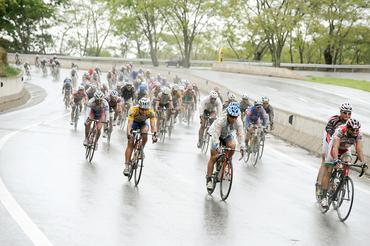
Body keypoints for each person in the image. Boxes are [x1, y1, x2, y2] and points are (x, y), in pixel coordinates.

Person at [320, 118, 367, 208]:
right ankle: (324, 198)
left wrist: (363, 163)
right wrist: (335, 160)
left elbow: (359, 149)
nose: (355, 132)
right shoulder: (340, 130)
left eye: (357, 130)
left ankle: (342, 178)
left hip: (345, 149)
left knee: (347, 162)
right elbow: (335, 147)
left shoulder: (358, 134)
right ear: (348, 128)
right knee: (329, 170)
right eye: (353, 130)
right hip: (334, 148)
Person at [316, 102, 352, 197]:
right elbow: (329, 136)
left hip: (340, 141)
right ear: (340, 112)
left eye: (349, 113)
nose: (347, 115)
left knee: (345, 160)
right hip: (329, 139)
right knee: (326, 160)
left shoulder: (350, 123)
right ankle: (319, 184)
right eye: (345, 113)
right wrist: (329, 151)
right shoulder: (334, 121)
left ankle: (339, 179)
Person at [206, 103, 245, 190]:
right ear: (228, 115)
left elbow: (240, 135)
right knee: (213, 156)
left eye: (235, 117)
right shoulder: (221, 120)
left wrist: (242, 147)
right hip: (216, 133)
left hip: (227, 134)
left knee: (233, 145)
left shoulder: (239, 122)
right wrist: (216, 146)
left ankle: (225, 162)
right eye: (231, 116)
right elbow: (216, 135)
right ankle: (209, 179)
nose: (233, 119)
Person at [123, 98, 157, 176]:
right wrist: (129, 134)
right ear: (139, 107)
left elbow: (152, 125)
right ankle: (127, 166)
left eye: (146, 110)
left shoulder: (151, 112)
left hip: (143, 124)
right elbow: (129, 124)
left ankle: (140, 149)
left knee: (145, 134)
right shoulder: (133, 110)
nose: (144, 111)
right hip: (134, 123)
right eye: (142, 109)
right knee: (130, 142)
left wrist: (154, 134)